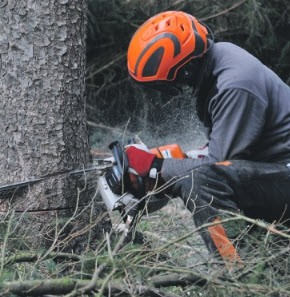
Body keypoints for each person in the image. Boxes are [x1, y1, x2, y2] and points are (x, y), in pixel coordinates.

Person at [124, 10, 290, 262]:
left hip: (282, 174)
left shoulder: (234, 85)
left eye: (167, 84)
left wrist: (158, 167)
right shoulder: (219, 61)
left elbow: (217, 169)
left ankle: (238, 275)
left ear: (186, 70)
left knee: (201, 182)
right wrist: (166, 158)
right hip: (275, 170)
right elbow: (223, 152)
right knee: (196, 174)